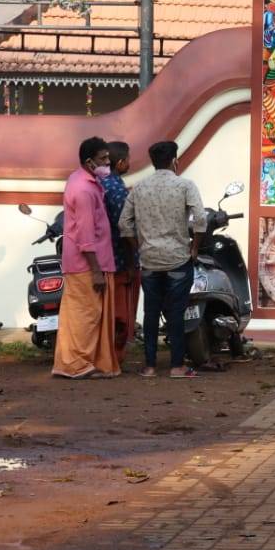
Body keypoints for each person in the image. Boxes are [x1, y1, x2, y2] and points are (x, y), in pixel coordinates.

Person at [119, 140, 206, 379]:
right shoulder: (185, 185)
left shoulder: (139, 188)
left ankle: (149, 366)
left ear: (153, 162)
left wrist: (139, 248)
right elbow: (200, 218)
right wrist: (194, 248)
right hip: (178, 259)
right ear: (174, 161)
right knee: (176, 314)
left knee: (150, 313)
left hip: (149, 261)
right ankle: (177, 366)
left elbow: (124, 224)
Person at [53, 137, 122, 379]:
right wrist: (95, 270)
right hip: (87, 264)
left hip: (92, 261)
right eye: (103, 159)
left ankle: (84, 362)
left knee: (85, 314)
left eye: (107, 158)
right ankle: (76, 364)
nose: (108, 162)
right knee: (86, 316)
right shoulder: (83, 189)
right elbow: (85, 234)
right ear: (89, 162)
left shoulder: (83, 180)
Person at [99, 140, 140, 359]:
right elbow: (125, 229)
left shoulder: (99, 183)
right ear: (121, 162)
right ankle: (114, 358)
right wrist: (132, 261)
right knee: (122, 316)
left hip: (103, 258)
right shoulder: (116, 188)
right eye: (129, 159)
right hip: (120, 260)